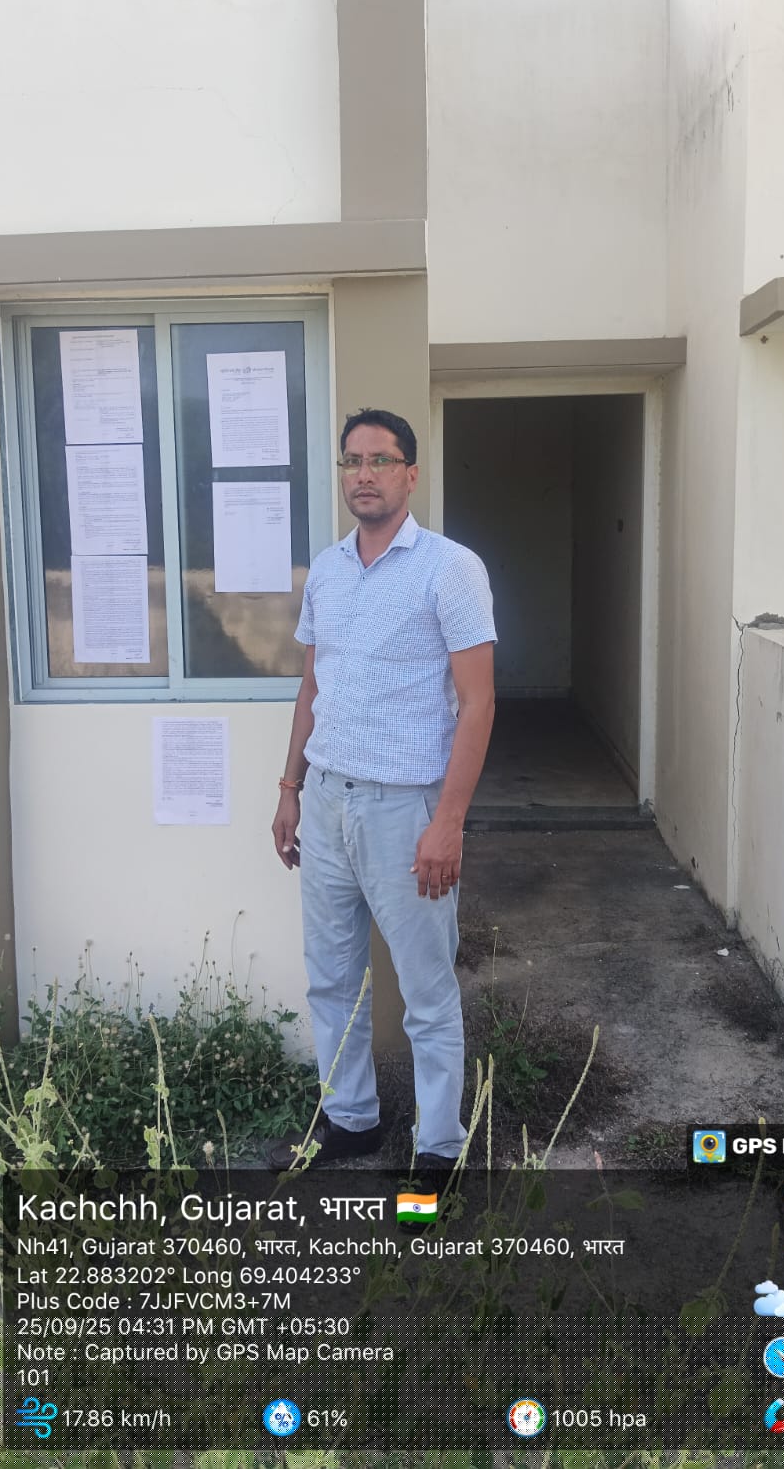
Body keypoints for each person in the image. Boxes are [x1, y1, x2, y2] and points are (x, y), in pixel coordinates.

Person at [268, 408, 496, 1170]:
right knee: (332, 979)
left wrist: (449, 824)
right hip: (327, 802)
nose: (363, 475)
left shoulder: (449, 568)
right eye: (352, 461)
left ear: (410, 474)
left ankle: (439, 1149)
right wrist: (291, 787)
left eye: (380, 460)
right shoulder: (327, 570)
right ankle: (351, 1119)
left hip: (406, 810)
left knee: (426, 992)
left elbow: (479, 704)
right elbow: (313, 687)